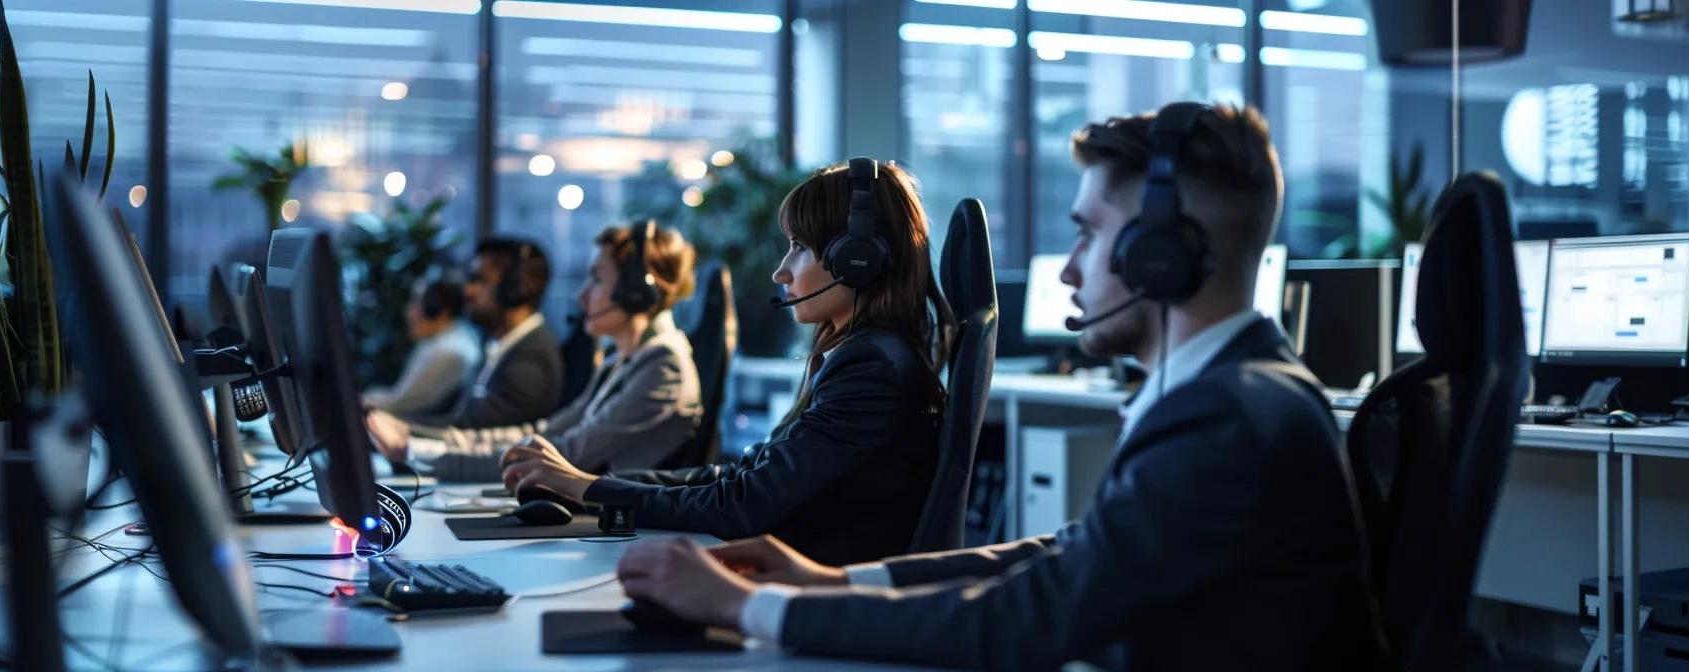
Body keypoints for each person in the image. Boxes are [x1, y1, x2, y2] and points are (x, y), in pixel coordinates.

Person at [609, 104, 1377, 671]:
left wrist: (750, 607)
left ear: (1162, 256)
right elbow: (1069, 554)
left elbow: (1032, 621)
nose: (1070, 267)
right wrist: (841, 580)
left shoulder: (1230, 418)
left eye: (1089, 232)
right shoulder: (1238, 392)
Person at [499, 160, 956, 566]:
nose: (781, 271)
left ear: (858, 260)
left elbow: (744, 504)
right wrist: (588, 486)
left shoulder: (872, 368)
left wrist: (585, 489)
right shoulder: (864, 357)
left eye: (799, 246)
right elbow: (740, 475)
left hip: (810, 594)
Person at [372, 221, 704, 480]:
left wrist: (417, 451)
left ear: (635, 294)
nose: (582, 295)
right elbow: (543, 434)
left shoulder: (663, 365)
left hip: (623, 541)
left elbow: (567, 455)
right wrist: (419, 445)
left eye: (597, 279)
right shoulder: (624, 360)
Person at [365, 238, 563, 472]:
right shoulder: (506, 347)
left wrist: (404, 432)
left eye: (480, 280)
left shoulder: (530, 361)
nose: (467, 291)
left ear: (517, 290)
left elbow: (474, 434)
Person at [361, 270, 480, 418]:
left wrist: (361, 400)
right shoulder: (443, 340)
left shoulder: (450, 352)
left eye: (417, 303)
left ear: (438, 310)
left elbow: (403, 405)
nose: (408, 312)